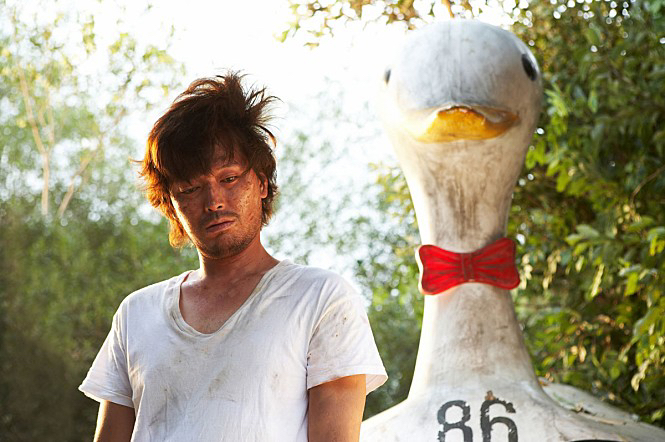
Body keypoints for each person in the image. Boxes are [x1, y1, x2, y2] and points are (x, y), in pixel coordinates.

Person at [79, 72, 387, 441]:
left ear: (262, 183)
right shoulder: (136, 314)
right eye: (191, 188)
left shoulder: (320, 298)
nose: (214, 202)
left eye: (229, 179)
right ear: (172, 206)